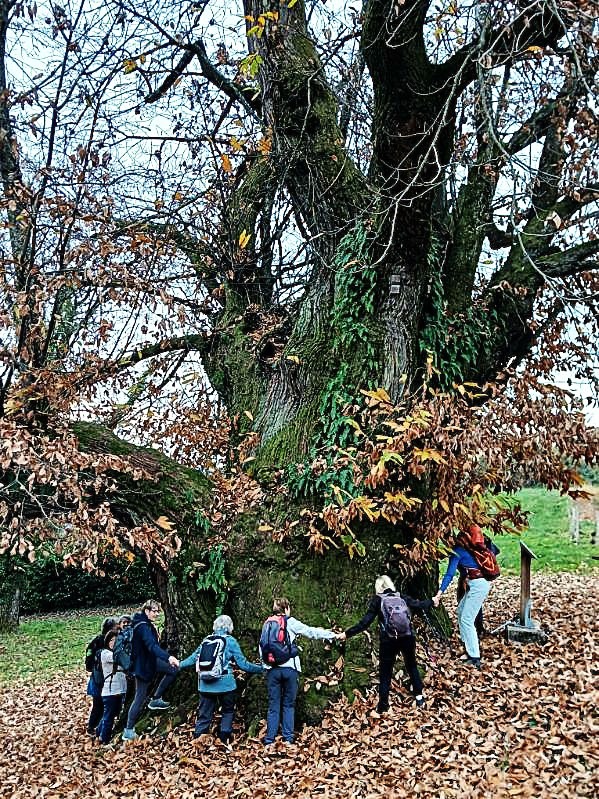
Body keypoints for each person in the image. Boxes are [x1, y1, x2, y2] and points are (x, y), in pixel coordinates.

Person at [339, 575, 432, 713]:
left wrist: (347, 634)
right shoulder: (401, 597)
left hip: (388, 641)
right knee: (412, 665)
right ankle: (419, 698)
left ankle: (383, 705)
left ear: (378, 587)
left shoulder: (378, 600)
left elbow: (365, 622)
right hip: (407, 637)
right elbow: (419, 605)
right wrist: (432, 601)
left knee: (385, 672)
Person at [261, 597, 337, 746]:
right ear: (286, 608)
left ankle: (269, 741)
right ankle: (288, 739)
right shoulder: (290, 622)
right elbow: (310, 631)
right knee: (288, 705)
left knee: (273, 706)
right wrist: (332, 635)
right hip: (290, 669)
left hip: (272, 670)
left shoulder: (267, 624)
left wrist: (267, 666)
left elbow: (262, 646)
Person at [179, 614, 264, 743]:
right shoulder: (230, 641)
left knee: (204, 714)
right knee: (228, 711)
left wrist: (179, 664)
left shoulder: (206, 640)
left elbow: (193, 658)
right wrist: (262, 669)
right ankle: (224, 738)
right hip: (226, 685)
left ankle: (198, 740)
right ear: (229, 627)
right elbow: (243, 665)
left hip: (205, 685)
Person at [433, 524, 495, 668]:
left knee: (467, 619)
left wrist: (439, 594)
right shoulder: (470, 547)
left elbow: (449, 574)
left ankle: (475, 657)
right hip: (478, 584)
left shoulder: (457, 551)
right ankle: (468, 647)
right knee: (461, 612)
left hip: (478, 586)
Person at [121, 599, 180, 741]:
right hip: (142, 666)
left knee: (173, 670)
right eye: (154, 611)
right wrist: (168, 657)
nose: (157, 614)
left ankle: (156, 699)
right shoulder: (142, 627)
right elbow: (151, 646)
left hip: (150, 661)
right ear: (146, 611)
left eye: (158, 611)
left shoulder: (144, 624)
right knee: (139, 698)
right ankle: (128, 730)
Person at [85, 616, 118, 736]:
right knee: (99, 704)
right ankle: (93, 727)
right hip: (101, 679)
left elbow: (88, 660)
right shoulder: (105, 642)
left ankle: (96, 726)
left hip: (98, 678)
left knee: (99, 704)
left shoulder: (96, 641)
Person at [97, 629, 127, 744]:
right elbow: (118, 658)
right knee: (109, 716)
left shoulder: (118, 653)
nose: (114, 642)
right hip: (110, 691)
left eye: (116, 640)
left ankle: (99, 732)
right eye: (111, 640)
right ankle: (104, 739)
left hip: (119, 689)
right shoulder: (105, 654)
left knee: (111, 714)